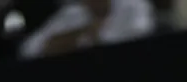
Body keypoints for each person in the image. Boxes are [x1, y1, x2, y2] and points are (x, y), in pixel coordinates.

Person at [18, 0, 156, 58]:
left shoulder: (133, 6)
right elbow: (28, 50)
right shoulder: (72, 13)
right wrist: (77, 35)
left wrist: (93, 37)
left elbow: (138, 43)